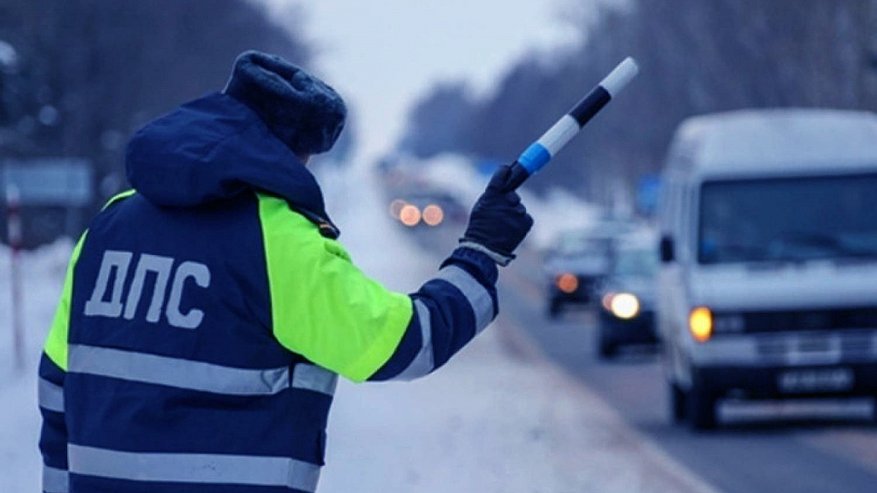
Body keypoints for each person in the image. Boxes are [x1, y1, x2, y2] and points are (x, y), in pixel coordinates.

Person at [37, 50, 532, 493]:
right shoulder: (277, 240)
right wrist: (481, 253)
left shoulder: (110, 225)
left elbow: (57, 384)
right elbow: (404, 342)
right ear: (290, 153)